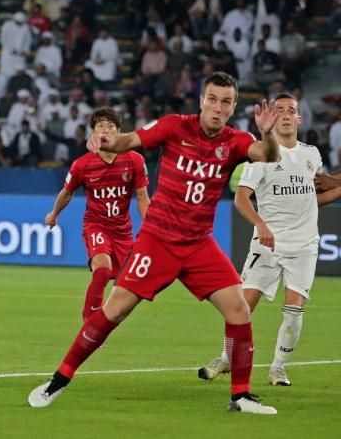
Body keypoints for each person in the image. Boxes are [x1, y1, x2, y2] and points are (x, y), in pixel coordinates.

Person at [28, 72, 282, 415]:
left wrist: (267, 132)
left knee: (238, 309)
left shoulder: (236, 140)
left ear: (233, 106)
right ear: (201, 100)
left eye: (225, 102)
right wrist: (106, 143)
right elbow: (129, 141)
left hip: (198, 243)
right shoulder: (175, 126)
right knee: (115, 308)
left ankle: (241, 396)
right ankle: (58, 379)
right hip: (158, 239)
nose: (217, 107)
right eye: (212, 99)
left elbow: (266, 154)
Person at [198, 93, 341, 386]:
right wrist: (261, 225)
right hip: (267, 244)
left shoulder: (311, 154)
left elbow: (312, 197)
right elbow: (241, 198)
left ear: (300, 118)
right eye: (281, 111)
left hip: (303, 245)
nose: (287, 115)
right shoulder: (261, 154)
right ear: (273, 118)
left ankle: (278, 368)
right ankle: (226, 358)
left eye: (292, 111)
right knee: (242, 306)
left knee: (294, 308)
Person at [45, 108, 150, 321]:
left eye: (111, 126)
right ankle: (90, 322)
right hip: (97, 226)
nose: (106, 130)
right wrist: (54, 214)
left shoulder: (134, 160)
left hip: (123, 231)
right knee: (102, 271)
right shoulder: (82, 165)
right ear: (93, 132)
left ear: (120, 133)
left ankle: (105, 322)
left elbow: (142, 197)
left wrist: (150, 228)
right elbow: (67, 193)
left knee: (130, 286)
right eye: (100, 126)